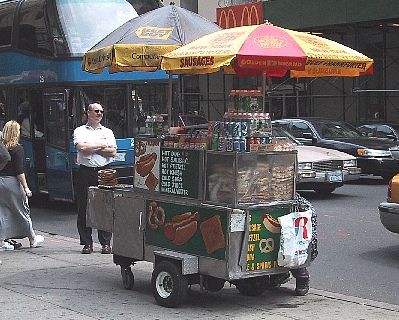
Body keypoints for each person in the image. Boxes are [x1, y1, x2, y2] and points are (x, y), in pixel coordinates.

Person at [73, 102, 116, 254]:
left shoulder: (108, 131)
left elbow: (112, 152)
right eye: (96, 111)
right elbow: (81, 148)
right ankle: (87, 243)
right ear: (89, 112)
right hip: (85, 172)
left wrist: (92, 146)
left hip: (104, 171)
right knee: (84, 207)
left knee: (105, 207)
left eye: (101, 112)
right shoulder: (80, 131)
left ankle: (105, 243)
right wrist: (101, 145)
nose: (99, 114)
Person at [0, 120, 44, 251]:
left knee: (3, 211)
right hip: (12, 182)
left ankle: (2, 241)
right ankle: (32, 238)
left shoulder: (2, 147)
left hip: (0, 181)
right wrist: (26, 187)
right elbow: (19, 170)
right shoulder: (17, 148)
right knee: (22, 210)